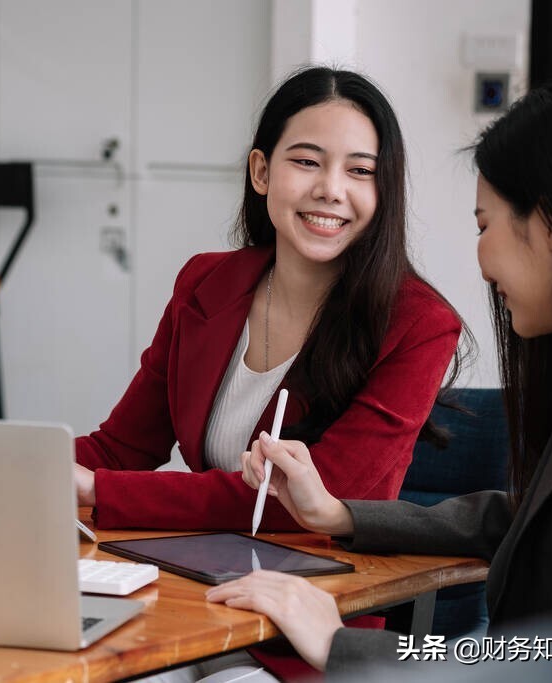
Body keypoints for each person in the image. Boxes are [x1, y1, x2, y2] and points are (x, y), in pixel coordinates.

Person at [207, 80, 552, 675]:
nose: (481, 262)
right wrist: (340, 514)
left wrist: (342, 642)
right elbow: (525, 517)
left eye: (485, 226)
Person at [73, 66, 464, 533]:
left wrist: (98, 489)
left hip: (318, 589)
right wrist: (14, 465)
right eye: (306, 162)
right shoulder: (205, 282)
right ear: (261, 171)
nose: (330, 190)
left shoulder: (420, 324)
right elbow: (120, 449)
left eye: (360, 171)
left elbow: (305, 503)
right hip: (197, 567)